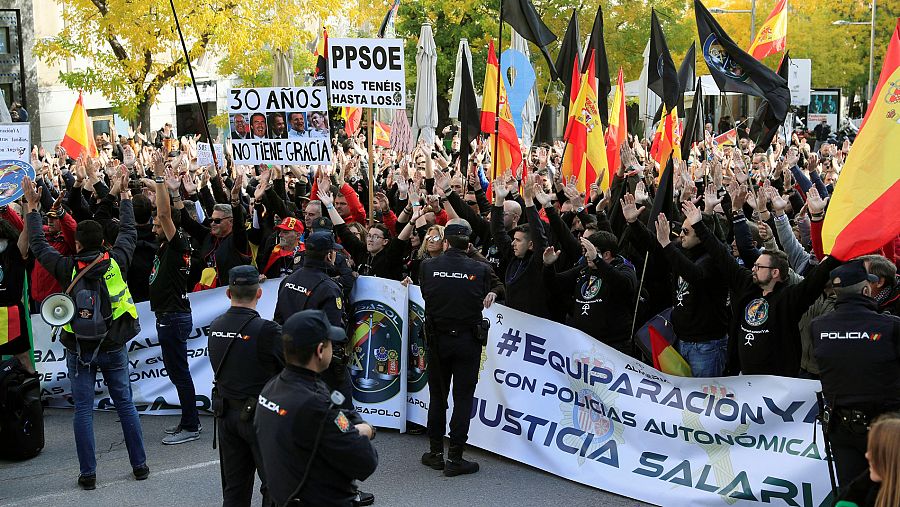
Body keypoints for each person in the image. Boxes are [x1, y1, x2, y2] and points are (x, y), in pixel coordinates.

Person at [23, 174, 148, 490]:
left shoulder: (66, 266)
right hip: (114, 345)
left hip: (78, 349)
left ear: (76, 244)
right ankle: (140, 466)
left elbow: (37, 244)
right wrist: (125, 200)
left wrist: (33, 209)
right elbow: (129, 232)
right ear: (103, 242)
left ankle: (88, 474)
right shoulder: (116, 260)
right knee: (125, 405)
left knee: (83, 411)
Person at [684, 200, 840, 376]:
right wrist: (698, 224)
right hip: (743, 377)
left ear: (775, 273)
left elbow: (814, 282)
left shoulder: (789, 299)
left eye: (759, 267)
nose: (753, 269)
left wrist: (834, 257)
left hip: (777, 384)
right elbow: (721, 255)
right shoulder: (747, 284)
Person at [255, 310, 378, 507]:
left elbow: (337, 416)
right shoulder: (316, 406)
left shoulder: (273, 388)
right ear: (320, 351)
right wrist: (365, 430)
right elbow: (365, 461)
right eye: (331, 344)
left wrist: (346, 421)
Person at [810, 260, 900, 489]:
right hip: (885, 431)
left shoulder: (818, 326)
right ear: (866, 290)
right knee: (888, 493)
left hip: (841, 429)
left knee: (852, 493)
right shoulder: (890, 326)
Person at [419, 220, 492, 476]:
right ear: (469, 244)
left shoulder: (428, 266)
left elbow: (427, 295)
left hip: (438, 340)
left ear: (446, 242)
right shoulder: (480, 269)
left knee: (438, 397)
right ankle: (455, 458)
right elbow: (489, 289)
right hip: (467, 341)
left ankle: (436, 453)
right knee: (462, 398)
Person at [209, 265, 283, 506]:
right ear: (259, 293)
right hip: (260, 417)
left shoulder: (215, 326)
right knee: (274, 485)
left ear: (229, 293)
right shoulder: (268, 330)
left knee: (234, 487)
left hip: (226, 416)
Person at [152, 171, 201, 444]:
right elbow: (165, 216)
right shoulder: (171, 246)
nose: (154, 228)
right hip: (170, 316)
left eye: (158, 227)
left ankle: (191, 426)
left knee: (179, 374)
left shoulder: (176, 243)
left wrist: (161, 182)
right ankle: (188, 420)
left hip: (173, 318)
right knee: (177, 372)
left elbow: (164, 215)